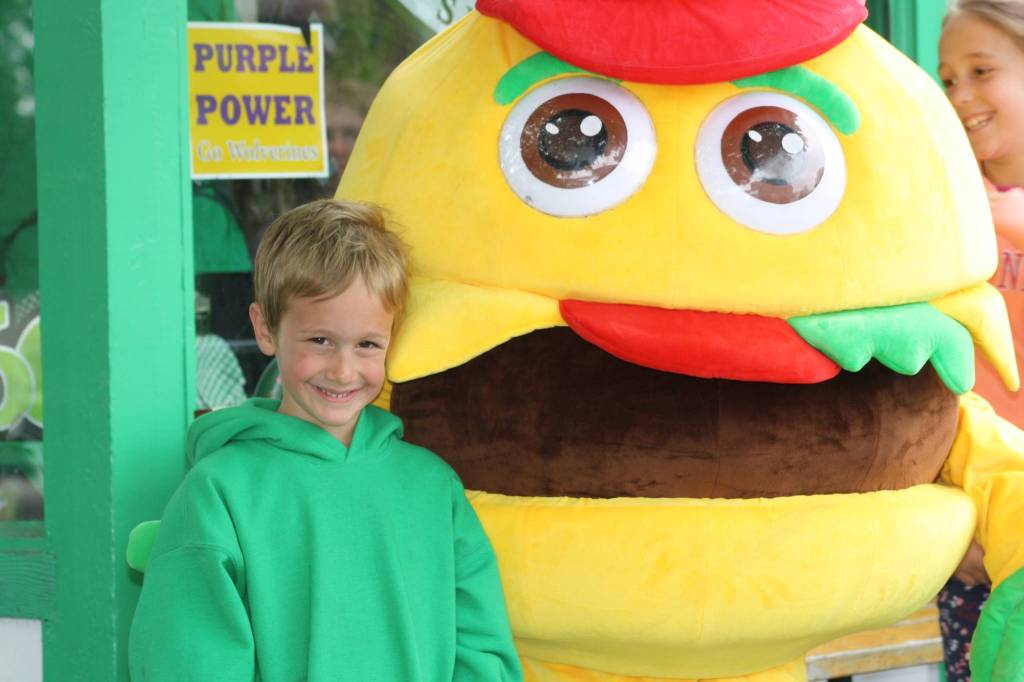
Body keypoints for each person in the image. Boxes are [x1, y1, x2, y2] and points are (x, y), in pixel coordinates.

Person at [129, 199, 523, 681]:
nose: (343, 370)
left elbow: (481, 650)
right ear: (265, 329)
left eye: (367, 344)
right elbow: (188, 662)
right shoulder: (217, 491)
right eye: (320, 341)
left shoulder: (434, 488)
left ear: (392, 338)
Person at [937, 2, 1024, 679]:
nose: (960, 95)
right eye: (947, 79)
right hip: (973, 539)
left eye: (981, 71)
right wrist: (959, 519)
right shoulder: (936, 211)